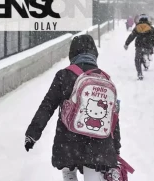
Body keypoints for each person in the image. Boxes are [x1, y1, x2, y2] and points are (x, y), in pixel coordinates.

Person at [24, 34, 121, 181]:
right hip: (99, 145)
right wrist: (115, 148)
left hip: (68, 142)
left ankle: (69, 173)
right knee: (94, 175)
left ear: (72, 53)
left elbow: (47, 105)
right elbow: (113, 118)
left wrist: (33, 133)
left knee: (68, 168)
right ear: (94, 54)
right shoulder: (104, 79)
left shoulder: (64, 75)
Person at [124, 14, 154, 80]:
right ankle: (148, 57)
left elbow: (132, 36)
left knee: (137, 60)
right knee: (147, 53)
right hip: (148, 46)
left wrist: (126, 44)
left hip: (139, 46)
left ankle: (140, 74)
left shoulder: (137, 27)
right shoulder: (151, 28)